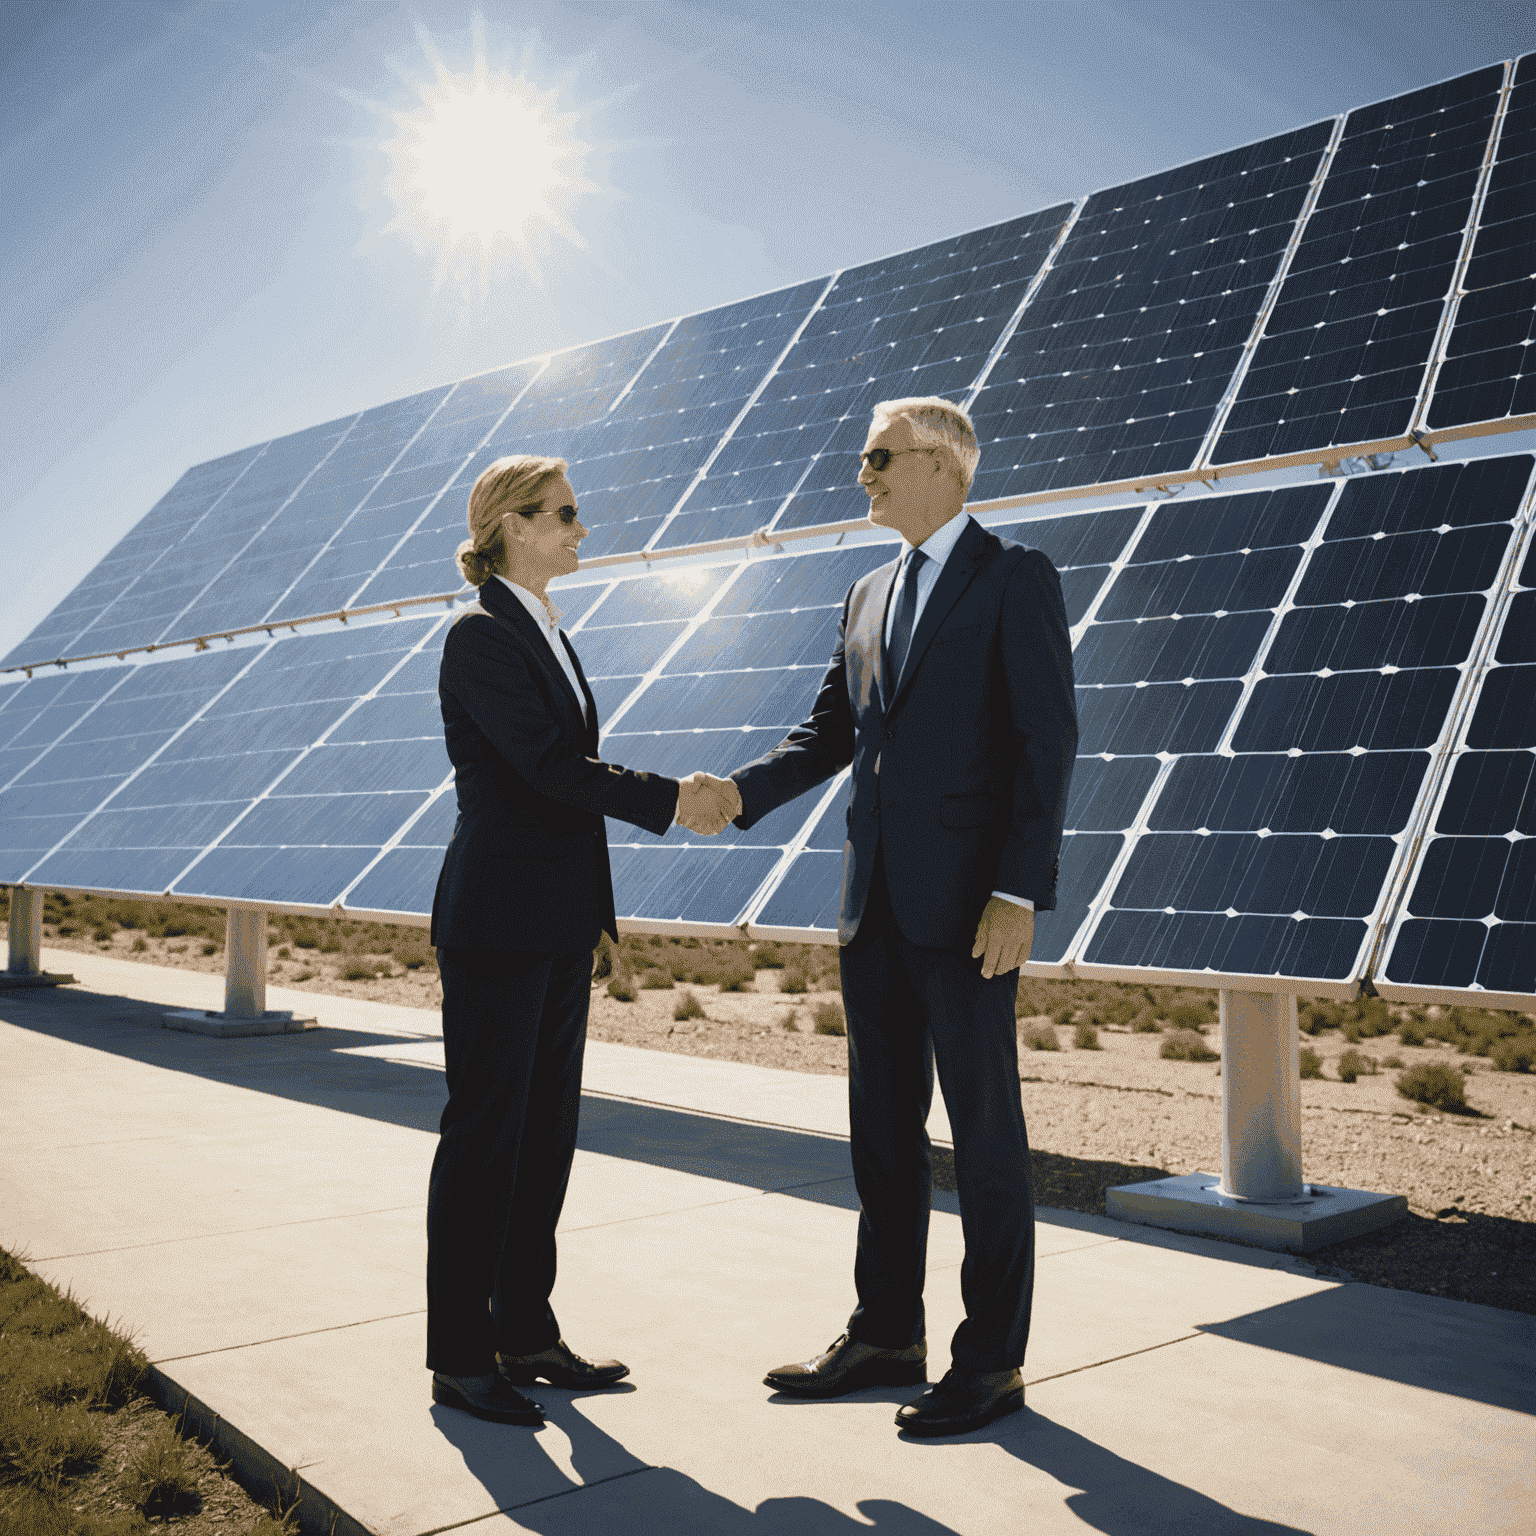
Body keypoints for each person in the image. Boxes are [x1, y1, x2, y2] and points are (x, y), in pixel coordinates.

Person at [699, 397, 1077, 1436]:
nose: (862, 474)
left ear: (948, 467)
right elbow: (829, 733)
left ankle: (991, 1361)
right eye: (863, 458)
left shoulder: (1015, 578)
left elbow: (1047, 742)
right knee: (883, 1137)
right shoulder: (866, 592)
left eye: (880, 457)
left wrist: (1017, 891)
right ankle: (885, 1335)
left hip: (968, 914)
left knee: (987, 1138)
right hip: (872, 908)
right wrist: (738, 793)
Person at [426, 454, 734, 1426]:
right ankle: (461, 1357)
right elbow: (550, 770)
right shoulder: (479, 637)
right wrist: (669, 800)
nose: (580, 529)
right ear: (514, 525)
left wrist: (595, 921)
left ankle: (526, 1330)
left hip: (553, 926)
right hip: (497, 925)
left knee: (545, 1138)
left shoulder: (548, 629)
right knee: (486, 1139)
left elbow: (565, 784)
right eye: (564, 514)